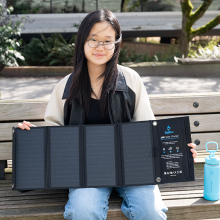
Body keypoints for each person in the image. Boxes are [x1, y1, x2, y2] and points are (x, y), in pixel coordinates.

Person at [18, 9, 197, 220]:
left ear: (116, 43)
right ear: (82, 41)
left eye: (107, 40)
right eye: (93, 39)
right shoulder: (65, 87)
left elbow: (149, 129)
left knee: (151, 212)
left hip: (133, 169)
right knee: (83, 211)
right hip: (85, 173)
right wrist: (31, 136)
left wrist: (178, 150)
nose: (100, 47)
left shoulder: (131, 79)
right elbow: (53, 135)